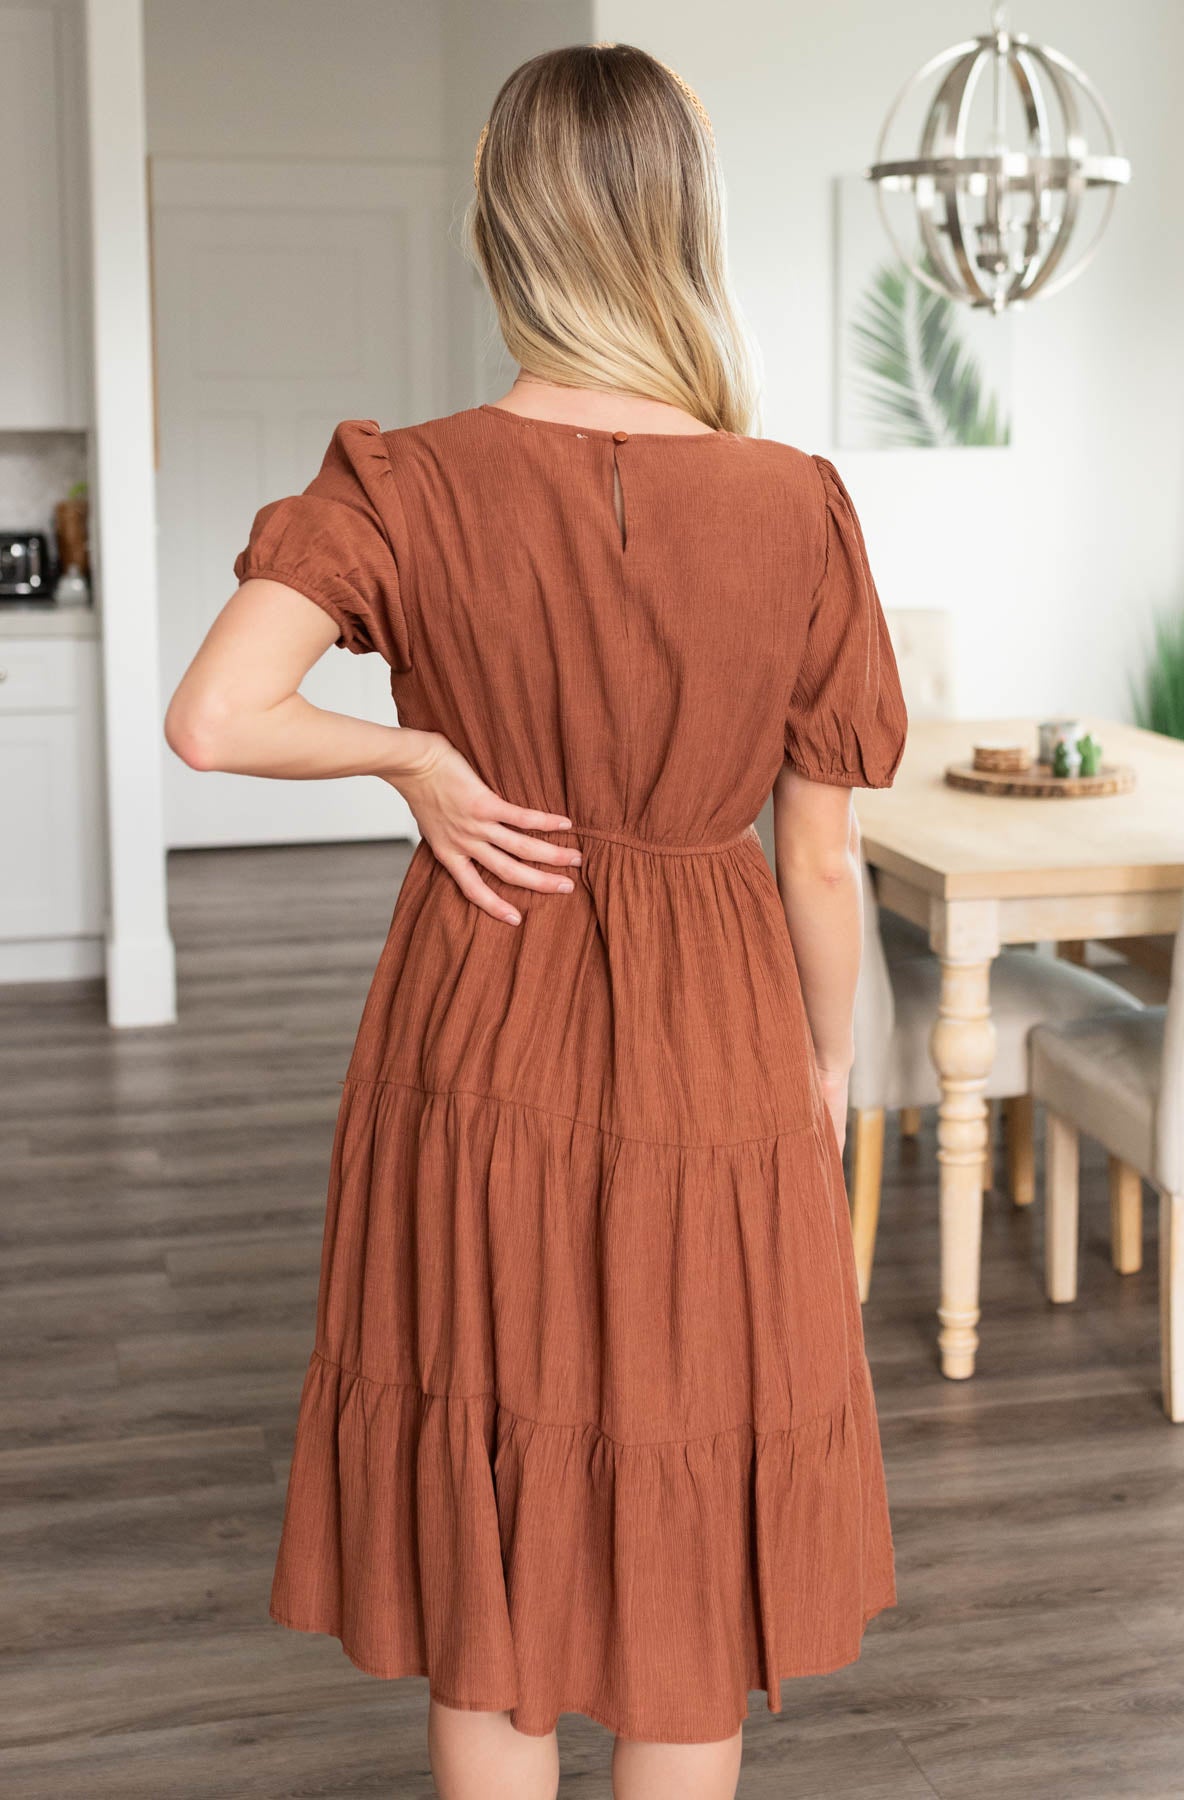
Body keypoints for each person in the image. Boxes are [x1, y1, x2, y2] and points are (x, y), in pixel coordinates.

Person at [165, 41, 907, 1800]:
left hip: (480, 993)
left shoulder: (408, 477)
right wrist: (817, 1063)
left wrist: (411, 755)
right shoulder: (793, 502)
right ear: (680, 229)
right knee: (683, 1484)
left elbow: (215, 717)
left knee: (492, 1478)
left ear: (502, 228)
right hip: (712, 1024)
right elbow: (817, 857)